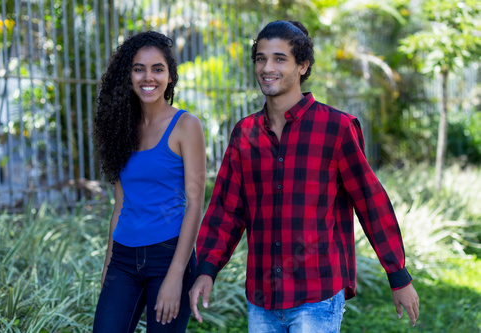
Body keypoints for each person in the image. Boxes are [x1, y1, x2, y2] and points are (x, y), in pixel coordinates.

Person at [189, 20, 419, 332]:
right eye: (261, 58)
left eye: (279, 59)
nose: (267, 67)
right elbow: (227, 210)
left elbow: (370, 201)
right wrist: (207, 268)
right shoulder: (245, 133)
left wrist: (398, 274)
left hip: (317, 296)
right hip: (261, 299)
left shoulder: (335, 128)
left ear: (303, 66)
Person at [92, 31, 206, 333]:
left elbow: (195, 204)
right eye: (138, 68)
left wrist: (176, 276)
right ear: (128, 75)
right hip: (123, 258)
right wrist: (108, 266)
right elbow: (120, 206)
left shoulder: (185, 125)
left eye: (158, 68)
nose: (148, 77)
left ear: (170, 76)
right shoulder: (120, 128)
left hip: (169, 254)